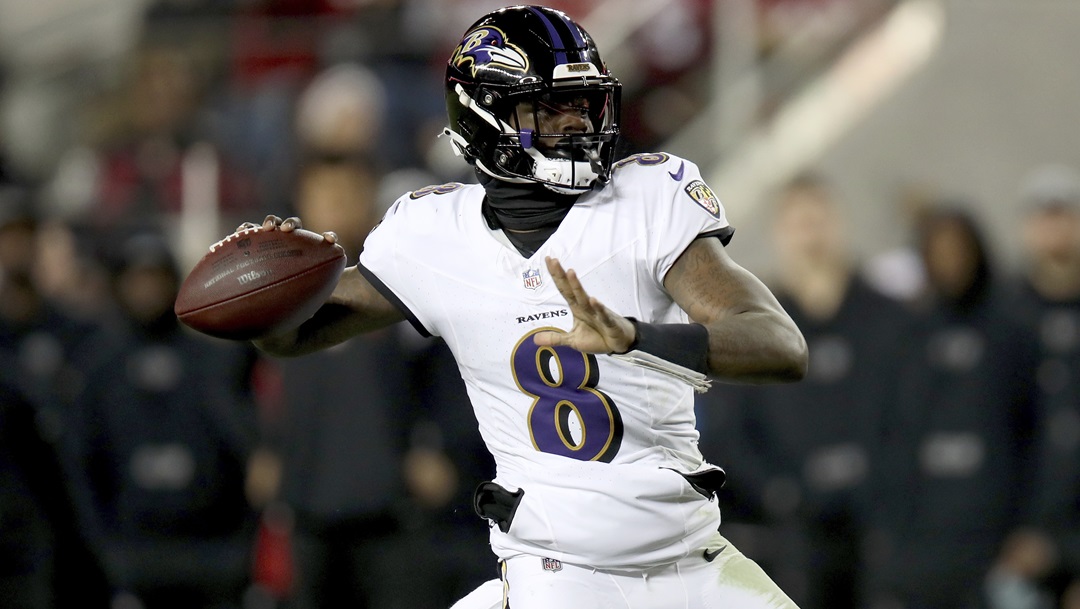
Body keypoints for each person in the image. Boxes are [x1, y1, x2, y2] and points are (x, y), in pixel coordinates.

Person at [237, 6, 807, 609]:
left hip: (690, 561)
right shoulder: (433, 235)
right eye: (549, 107)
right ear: (485, 117)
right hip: (557, 575)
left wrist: (636, 339)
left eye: (583, 103)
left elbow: (780, 345)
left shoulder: (646, 199)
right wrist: (272, 287)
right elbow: (290, 339)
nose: (576, 122)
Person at [697, 174, 914, 609]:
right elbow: (731, 432)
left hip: (887, 526)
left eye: (819, 220)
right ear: (780, 234)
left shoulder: (890, 316)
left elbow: (915, 408)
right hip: (795, 540)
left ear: (839, 223)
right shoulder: (750, 331)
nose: (812, 235)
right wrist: (778, 492)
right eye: (800, 224)